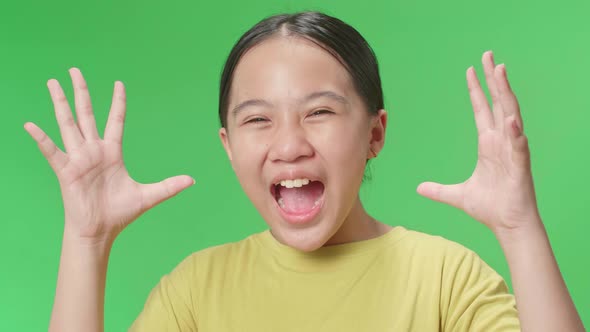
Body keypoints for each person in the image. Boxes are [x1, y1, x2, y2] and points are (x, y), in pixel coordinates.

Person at [25, 11, 584, 332]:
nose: (288, 145)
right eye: (258, 119)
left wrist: (519, 228)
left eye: (318, 112)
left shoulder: (445, 279)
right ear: (227, 145)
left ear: (375, 134)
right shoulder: (193, 291)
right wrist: (87, 241)